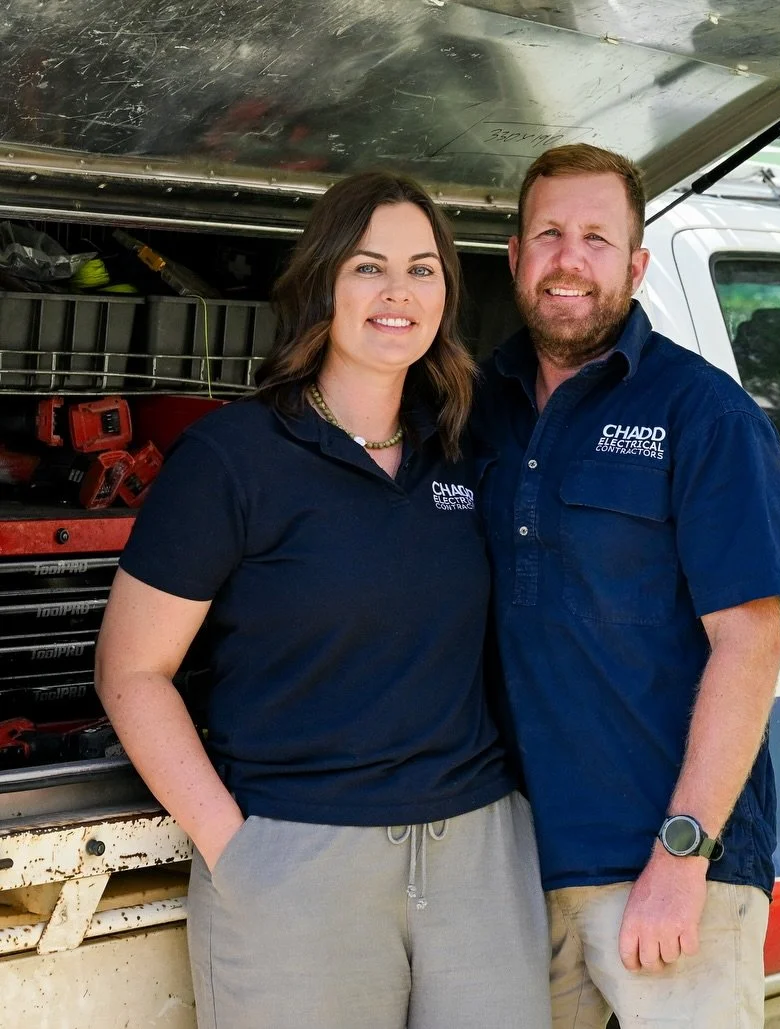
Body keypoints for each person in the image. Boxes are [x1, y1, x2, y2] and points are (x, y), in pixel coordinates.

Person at [94, 171, 549, 1029]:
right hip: (299, 860)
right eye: (369, 267)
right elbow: (132, 669)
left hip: (480, 861)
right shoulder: (232, 459)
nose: (398, 292)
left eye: (422, 269)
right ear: (322, 283)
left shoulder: (465, 449)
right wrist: (240, 853)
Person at [472, 144, 780, 1028]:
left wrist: (683, 852)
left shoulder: (705, 415)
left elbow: (751, 640)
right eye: (549, 234)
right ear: (515, 256)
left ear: (636, 264)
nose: (569, 259)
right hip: (515, 867)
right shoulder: (479, 407)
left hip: (670, 871)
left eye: (596, 238)